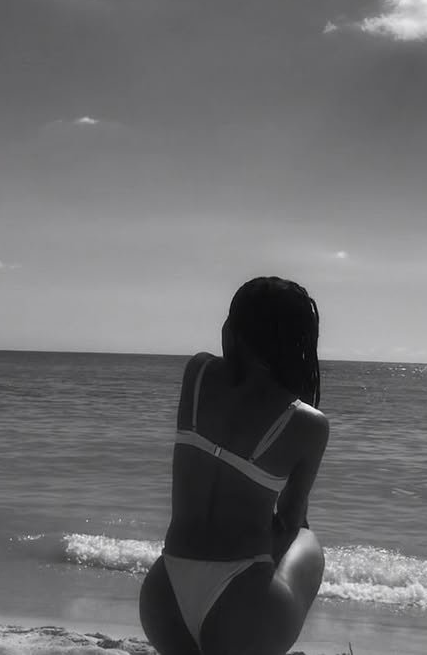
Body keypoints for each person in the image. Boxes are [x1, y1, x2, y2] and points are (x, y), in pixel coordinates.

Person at [139, 276, 330, 655]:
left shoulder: (197, 373)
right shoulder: (307, 423)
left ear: (234, 327)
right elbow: (292, 521)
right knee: (307, 541)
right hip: (241, 605)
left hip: (164, 595)